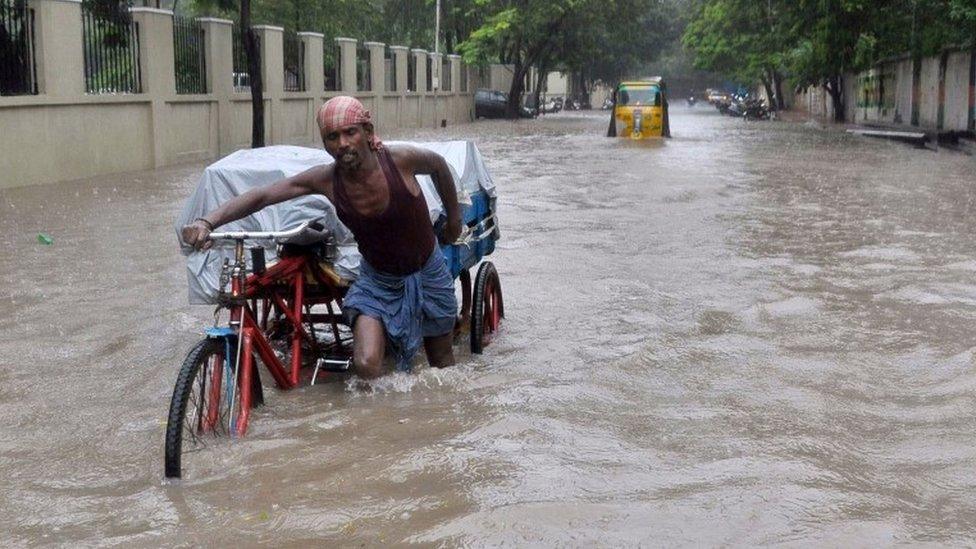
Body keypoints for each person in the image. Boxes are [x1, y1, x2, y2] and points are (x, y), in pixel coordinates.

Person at [182, 96, 462, 379]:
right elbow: (264, 195)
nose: (342, 144)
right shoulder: (326, 179)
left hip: (427, 271)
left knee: (441, 361)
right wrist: (208, 221)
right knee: (366, 364)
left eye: (350, 132)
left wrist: (454, 220)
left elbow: (439, 166)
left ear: (367, 132)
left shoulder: (400, 160)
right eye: (332, 137)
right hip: (378, 280)